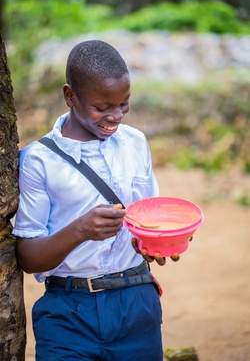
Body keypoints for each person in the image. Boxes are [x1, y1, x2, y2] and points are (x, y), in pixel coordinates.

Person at [13, 40, 167, 361]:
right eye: (102, 107)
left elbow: (147, 222)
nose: (116, 116)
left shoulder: (135, 143)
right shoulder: (38, 160)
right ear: (70, 96)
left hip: (135, 303)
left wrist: (160, 244)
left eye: (124, 104)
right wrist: (80, 229)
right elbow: (28, 257)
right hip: (67, 313)